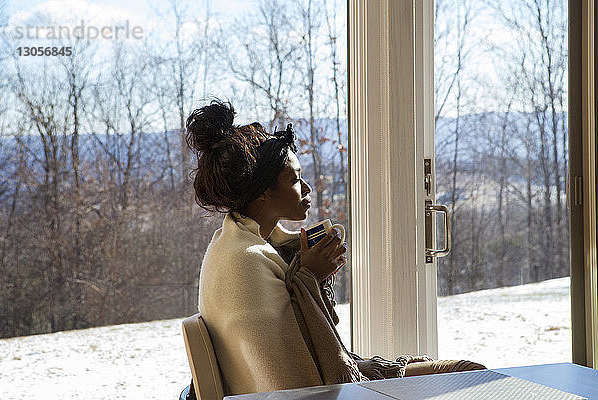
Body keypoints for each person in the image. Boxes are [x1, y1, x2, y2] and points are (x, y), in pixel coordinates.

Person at [187, 99, 485, 397]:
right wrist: (309, 277)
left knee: (462, 371)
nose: (307, 188)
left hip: (328, 380)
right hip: (328, 389)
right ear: (264, 192)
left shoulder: (233, 245)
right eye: (294, 179)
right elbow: (300, 382)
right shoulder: (246, 263)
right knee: (468, 374)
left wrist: (308, 274)